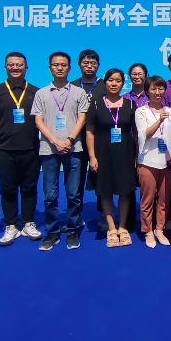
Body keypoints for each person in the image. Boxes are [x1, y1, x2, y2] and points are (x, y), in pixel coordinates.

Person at [0, 52, 42, 246]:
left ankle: (28, 223)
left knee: (29, 188)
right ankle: (11, 225)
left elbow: (43, 121)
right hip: (5, 150)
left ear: (26, 67)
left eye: (19, 64)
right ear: (5, 67)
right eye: (11, 64)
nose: (15, 67)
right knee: (7, 189)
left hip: (31, 149)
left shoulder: (36, 92)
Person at [32, 52, 88, 251]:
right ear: (50, 68)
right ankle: (52, 232)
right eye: (56, 65)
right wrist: (55, 141)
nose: (60, 68)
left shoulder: (79, 92)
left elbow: (82, 119)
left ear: (69, 68)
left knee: (73, 194)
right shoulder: (41, 93)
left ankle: (72, 230)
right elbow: (38, 121)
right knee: (50, 194)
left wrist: (70, 139)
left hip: (74, 148)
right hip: (49, 149)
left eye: (63, 65)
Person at [85, 68, 138, 248]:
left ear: (123, 83)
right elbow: (89, 132)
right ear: (105, 82)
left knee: (125, 191)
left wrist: (137, 156)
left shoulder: (130, 105)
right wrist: (92, 157)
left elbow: (135, 133)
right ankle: (111, 228)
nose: (114, 84)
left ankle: (122, 227)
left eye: (118, 81)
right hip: (103, 154)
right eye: (110, 80)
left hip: (125, 154)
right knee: (105, 191)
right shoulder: (96, 104)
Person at [70, 49, 108, 232]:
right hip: (75, 140)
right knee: (75, 180)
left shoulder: (104, 86)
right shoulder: (71, 86)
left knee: (100, 177)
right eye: (85, 62)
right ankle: (75, 216)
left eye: (93, 63)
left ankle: (103, 213)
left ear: (98, 66)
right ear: (79, 65)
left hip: (98, 139)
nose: (89, 66)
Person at [135, 75, 171, 248]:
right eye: (153, 89)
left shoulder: (170, 111)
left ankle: (159, 229)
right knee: (147, 199)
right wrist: (159, 120)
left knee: (164, 199)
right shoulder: (141, 112)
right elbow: (145, 135)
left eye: (161, 88)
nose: (158, 92)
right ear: (147, 91)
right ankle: (148, 230)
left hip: (167, 161)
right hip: (148, 162)